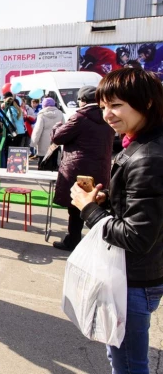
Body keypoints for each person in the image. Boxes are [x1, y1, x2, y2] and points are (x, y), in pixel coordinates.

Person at [71, 68, 163, 373]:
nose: (108, 115)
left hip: (133, 281)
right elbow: (145, 210)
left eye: (116, 105)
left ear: (146, 102)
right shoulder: (139, 143)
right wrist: (107, 202)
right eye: (103, 107)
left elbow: (137, 236)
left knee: (128, 364)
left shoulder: (147, 156)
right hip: (137, 275)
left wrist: (89, 210)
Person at [51, 85, 115, 251]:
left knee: (75, 207)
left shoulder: (80, 117)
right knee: (98, 204)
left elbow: (58, 138)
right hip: (100, 168)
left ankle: (73, 241)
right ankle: (100, 243)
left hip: (77, 169)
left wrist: (57, 126)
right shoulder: (108, 116)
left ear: (82, 100)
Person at [30, 97, 64, 166]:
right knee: (54, 166)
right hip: (55, 144)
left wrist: (33, 143)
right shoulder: (60, 114)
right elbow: (63, 128)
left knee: (43, 166)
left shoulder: (42, 114)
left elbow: (37, 130)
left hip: (43, 144)